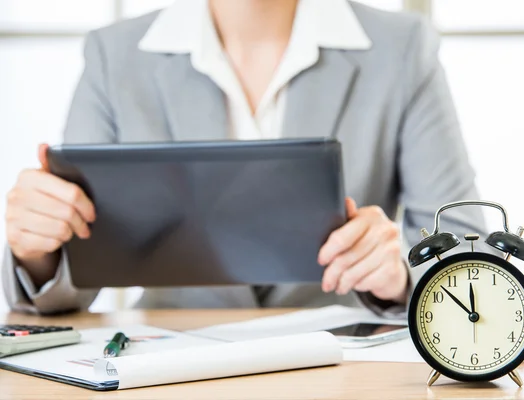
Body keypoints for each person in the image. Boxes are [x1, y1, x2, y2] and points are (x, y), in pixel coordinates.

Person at [2, 0, 485, 316]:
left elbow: (470, 255)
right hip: (169, 365)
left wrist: (399, 270)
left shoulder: (402, 49)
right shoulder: (114, 56)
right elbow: (75, 274)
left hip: (341, 366)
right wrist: (36, 250)